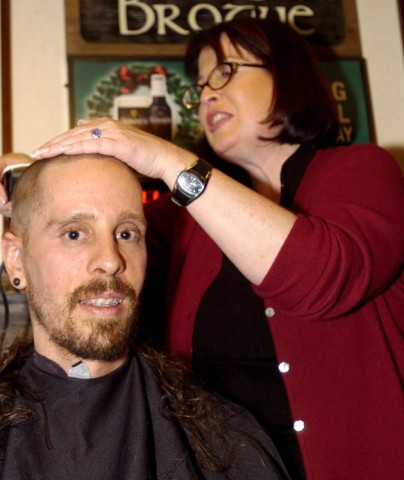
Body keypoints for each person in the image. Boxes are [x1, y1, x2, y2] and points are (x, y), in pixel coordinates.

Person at [14, 17, 404, 480]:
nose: (207, 95)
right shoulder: (185, 221)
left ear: (286, 73)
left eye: (224, 72)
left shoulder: (363, 170)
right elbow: (100, 218)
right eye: (200, 85)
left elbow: (324, 277)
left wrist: (165, 159)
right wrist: (21, 175)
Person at [0, 154, 291, 479]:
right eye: (74, 234)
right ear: (15, 260)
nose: (111, 261)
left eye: (127, 234)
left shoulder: (226, 440)